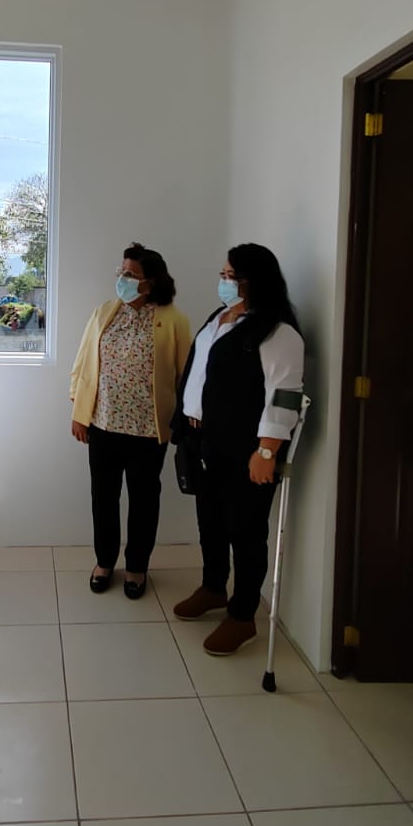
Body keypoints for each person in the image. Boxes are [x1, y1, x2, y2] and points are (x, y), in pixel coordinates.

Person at [170, 244, 304, 655]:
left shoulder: (277, 332)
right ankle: (213, 587)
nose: (224, 282)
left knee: (245, 531)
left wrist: (267, 451)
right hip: (203, 440)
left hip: (246, 449)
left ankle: (243, 615)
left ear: (254, 281)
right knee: (210, 522)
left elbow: (284, 395)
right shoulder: (219, 318)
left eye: (232, 276)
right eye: (223, 274)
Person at [69, 243, 194, 598]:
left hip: (148, 431)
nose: (122, 279)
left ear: (151, 282)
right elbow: (82, 364)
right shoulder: (104, 312)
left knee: (143, 502)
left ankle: (137, 566)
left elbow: (186, 375)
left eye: (131, 274)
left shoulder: (174, 320)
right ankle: (104, 561)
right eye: (121, 272)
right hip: (102, 426)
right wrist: (79, 412)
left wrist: (185, 421)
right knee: (103, 498)